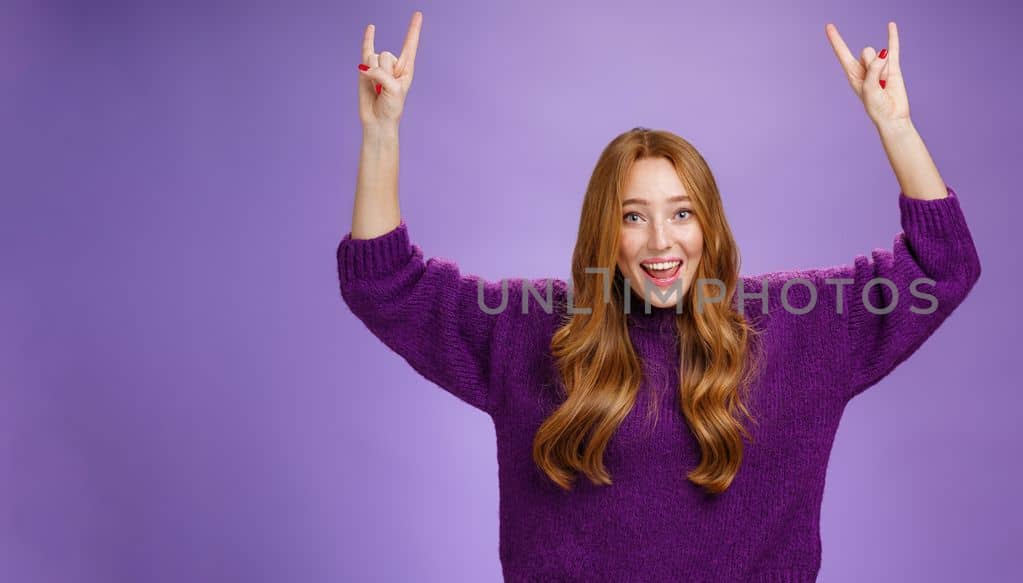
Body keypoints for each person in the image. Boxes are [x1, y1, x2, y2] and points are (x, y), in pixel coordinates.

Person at [339, 11, 982, 582]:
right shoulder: (530, 332)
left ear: (709, 225)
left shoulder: (798, 327)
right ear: (604, 232)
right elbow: (383, 284)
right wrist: (381, 132)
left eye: (681, 213)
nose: (659, 242)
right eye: (633, 216)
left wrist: (895, 125)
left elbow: (942, 265)